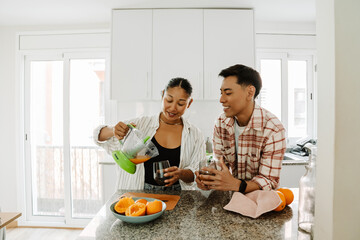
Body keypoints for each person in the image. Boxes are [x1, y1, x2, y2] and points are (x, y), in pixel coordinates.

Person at [94, 77, 206, 191]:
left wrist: (181, 173)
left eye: (181, 103)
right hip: (139, 194)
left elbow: (198, 173)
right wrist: (113, 130)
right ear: (162, 95)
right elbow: (98, 136)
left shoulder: (195, 135)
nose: (173, 108)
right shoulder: (140, 125)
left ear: (189, 103)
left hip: (177, 195)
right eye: (169, 100)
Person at [195, 64, 286, 194]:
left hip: (261, 204)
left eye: (228, 93)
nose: (221, 99)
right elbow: (221, 166)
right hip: (233, 199)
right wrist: (209, 178)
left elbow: (269, 181)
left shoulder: (273, 129)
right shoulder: (221, 123)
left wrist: (237, 185)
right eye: (221, 93)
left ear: (250, 92)